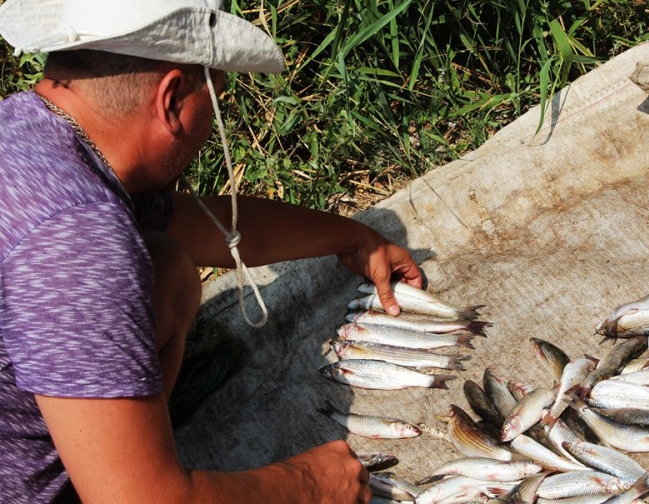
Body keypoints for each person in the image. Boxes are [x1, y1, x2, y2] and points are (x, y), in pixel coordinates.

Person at [0, 0, 422, 502]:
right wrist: (313, 484)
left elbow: (198, 225)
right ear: (174, 97)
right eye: (218, 97)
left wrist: (356, 238)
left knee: (168, 266)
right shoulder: (77, 238)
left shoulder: (28, 131)